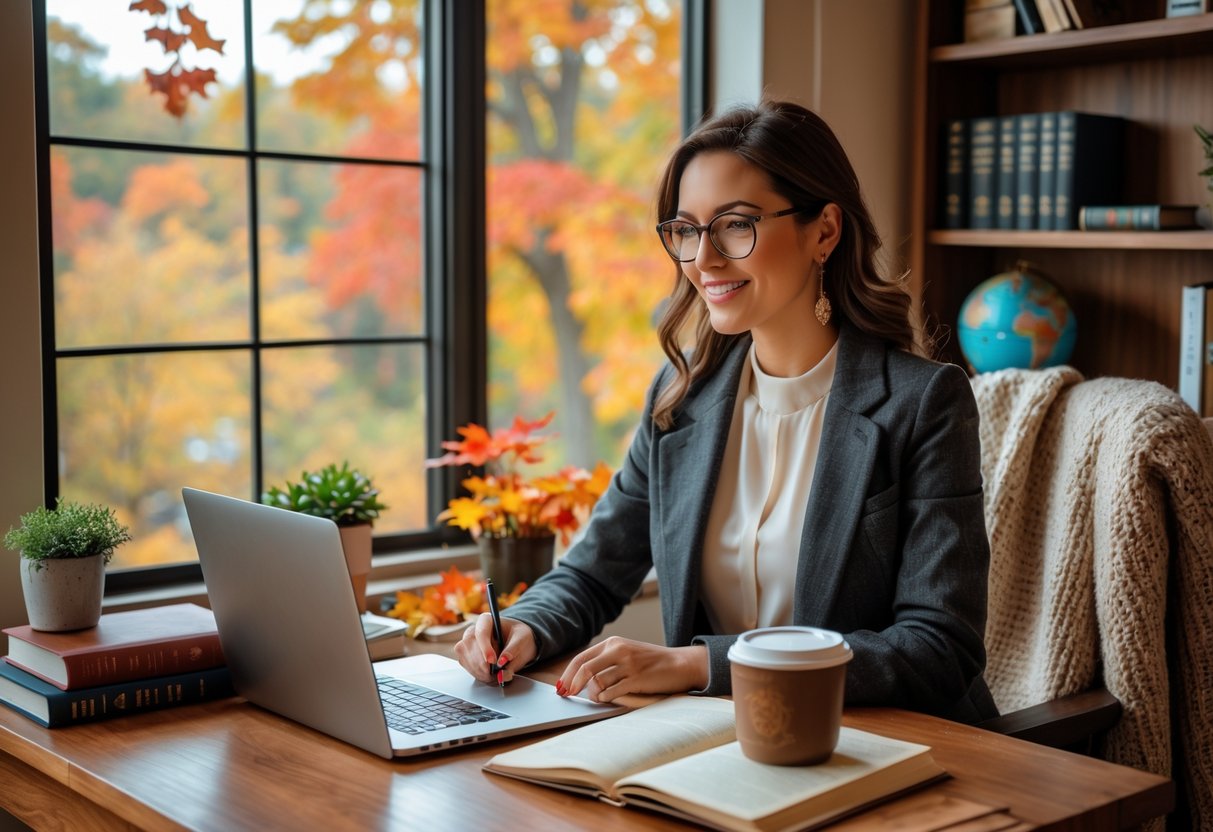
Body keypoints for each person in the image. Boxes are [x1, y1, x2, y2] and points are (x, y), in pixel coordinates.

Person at [454, 99, 998, 723]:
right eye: (686, 230)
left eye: (736, 225)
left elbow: (938, 650)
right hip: (726, 740)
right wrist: (523, 624)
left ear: (824, 231)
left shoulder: (923, 402)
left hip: (887, 747)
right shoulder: (682, 393)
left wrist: (700, 664)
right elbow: (593, 573)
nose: (703, 260)